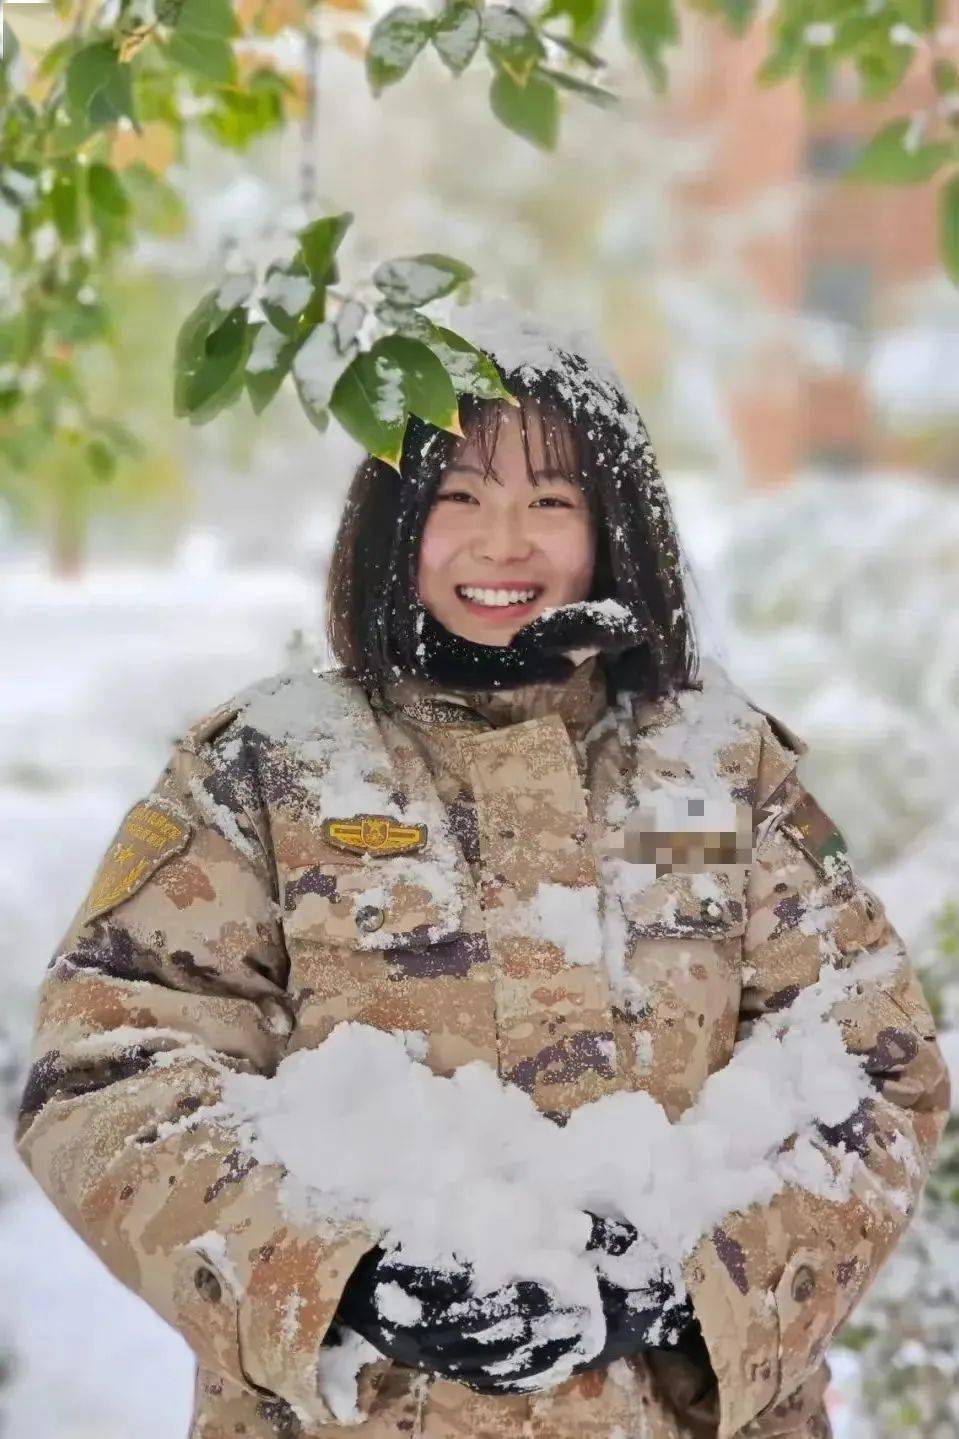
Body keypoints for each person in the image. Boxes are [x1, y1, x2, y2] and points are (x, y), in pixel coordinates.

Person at [15, 302, 950, 1439]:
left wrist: (678, 1283)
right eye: (457, 496)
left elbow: (873, 1063)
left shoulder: (721, 766)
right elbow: (103, 1069)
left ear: (612, 529)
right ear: (394, 517)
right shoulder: (268, 768)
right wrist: (336, 1273)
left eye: (548, 502)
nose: (502, 543)